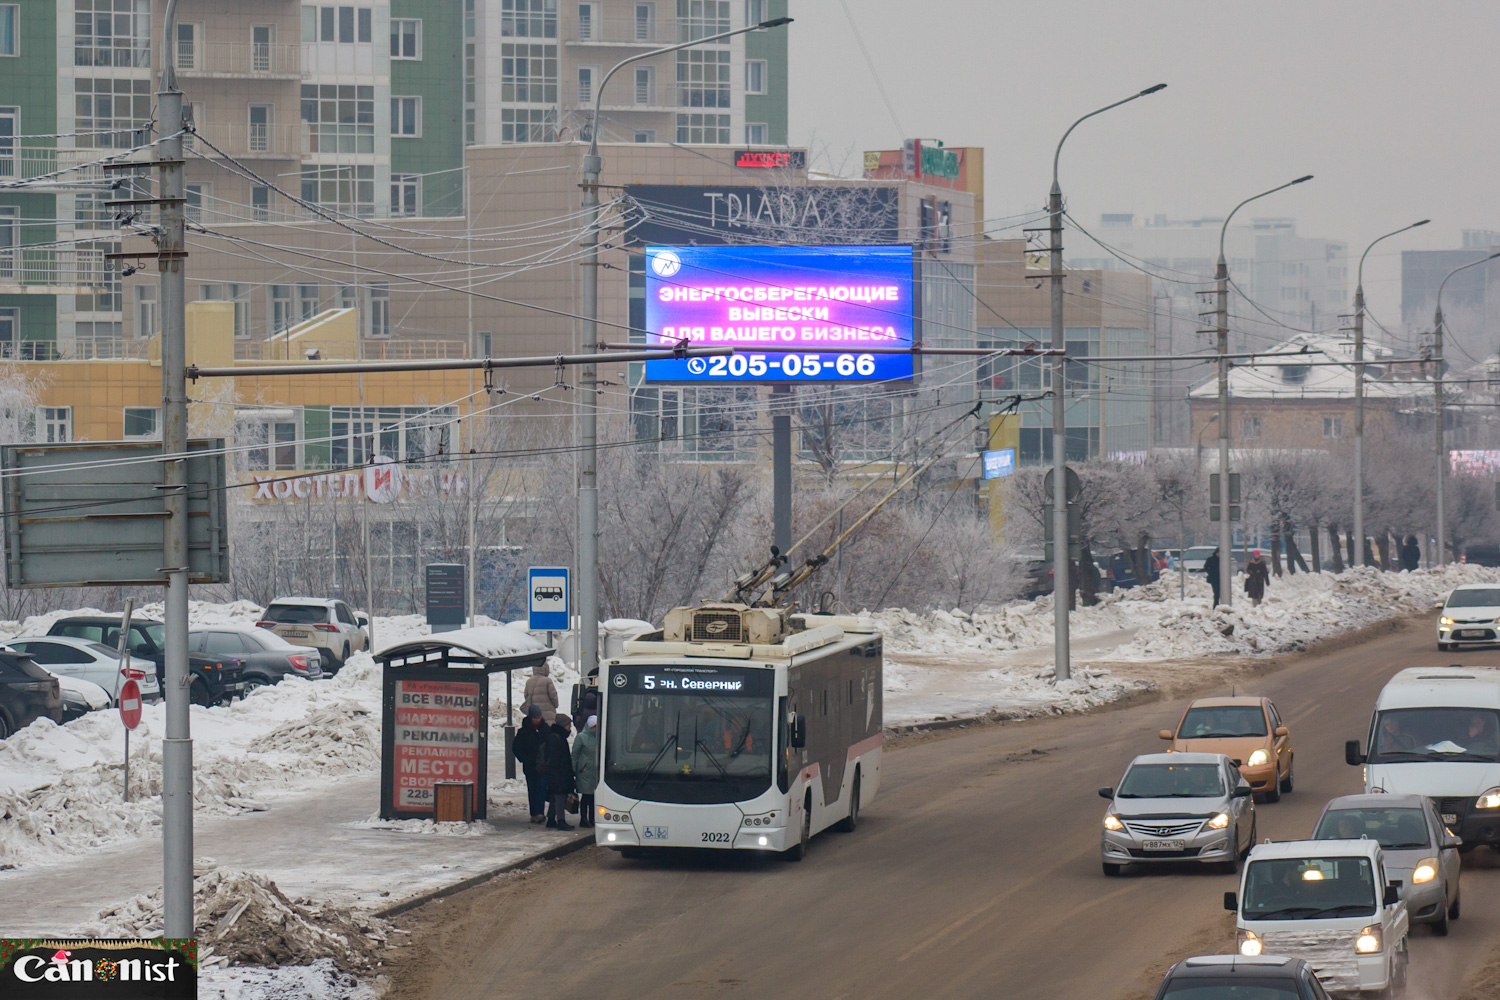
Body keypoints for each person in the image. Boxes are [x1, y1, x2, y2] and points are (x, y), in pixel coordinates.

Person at [513, 705, 550, 824]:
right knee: (533, 790)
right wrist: (525, 759)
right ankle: (534, 813)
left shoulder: (545, 729)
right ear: (531, 717)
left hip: (543, 766)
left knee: (541, 789)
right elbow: (516, 747)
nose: (538, 719)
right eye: (535, 717)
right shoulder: (524, 731)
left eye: (539, 717)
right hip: (530, 766)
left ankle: (539, 813)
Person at [540, 712, 576, 830]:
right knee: (559, 796)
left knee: (555, 797)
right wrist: (563, 774)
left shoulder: (558, 737)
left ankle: (551, 819)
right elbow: (556, 759)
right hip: (558, 773)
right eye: (568, 725)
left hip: (558, 773)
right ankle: (561, 820)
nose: (570, 728)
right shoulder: (556, 738)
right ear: (562, 725)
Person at [573, 714, 600, 828]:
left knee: (594, 796)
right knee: (586, 796)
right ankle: (583, 819)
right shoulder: (581, 737)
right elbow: (575, 754)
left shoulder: (600, 737)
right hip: (584, 771)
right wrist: (574, 769)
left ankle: (592, 818)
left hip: (595, 772)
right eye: (594, 726)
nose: (596, 729)